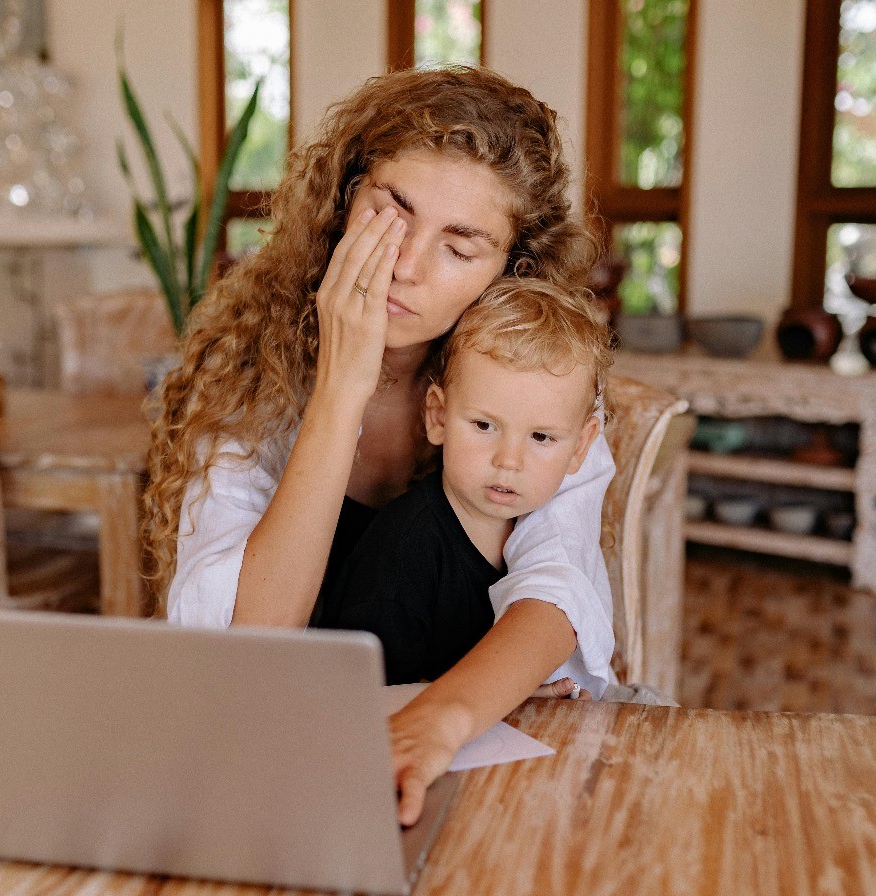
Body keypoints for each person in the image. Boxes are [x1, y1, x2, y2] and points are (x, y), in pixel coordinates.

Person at [141, 66, 613, 826]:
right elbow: (242, 642)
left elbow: (557, 592)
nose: (404, 265)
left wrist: (443, 721)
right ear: (343, 201)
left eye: (460, 248)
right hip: (280, 753)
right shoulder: (241, 371)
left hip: (466, 741)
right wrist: (341, 383)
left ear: (509, 271)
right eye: (390, 215)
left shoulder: (533, 387)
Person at [315, 278, 611, 689]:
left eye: (541, 437)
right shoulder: (402, 557)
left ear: (580, 447)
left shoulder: (540, 534)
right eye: (484, 425)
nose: (509, 460)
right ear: (438, 417)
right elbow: (365, 702)